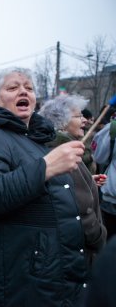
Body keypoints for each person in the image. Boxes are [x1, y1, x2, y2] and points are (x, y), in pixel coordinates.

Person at [0, 67, 89, 306]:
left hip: (46, 275)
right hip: (15, 282)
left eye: (29, 88)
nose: (23, 91)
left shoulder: (34, 138)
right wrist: (46, 167)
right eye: (12, 88)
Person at [39, 95, 106, 257]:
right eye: (79, 116)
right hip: (76, 249)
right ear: (61, 121)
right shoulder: (63, 155)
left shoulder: (62, 147)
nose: (86, 120)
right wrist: (100, 237)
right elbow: (81, 209)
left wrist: (88, 180)